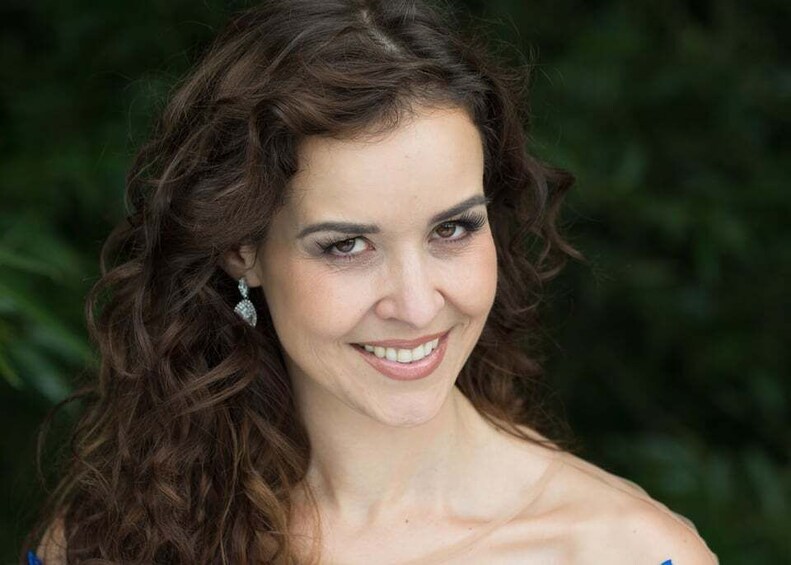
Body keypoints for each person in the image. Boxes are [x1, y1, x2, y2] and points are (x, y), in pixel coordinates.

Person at [25, 0, 719, 563]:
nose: (415, 304)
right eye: (347, 245)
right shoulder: (112, 540)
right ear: (241, 250)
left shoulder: (625, 551)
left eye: (452, 229)